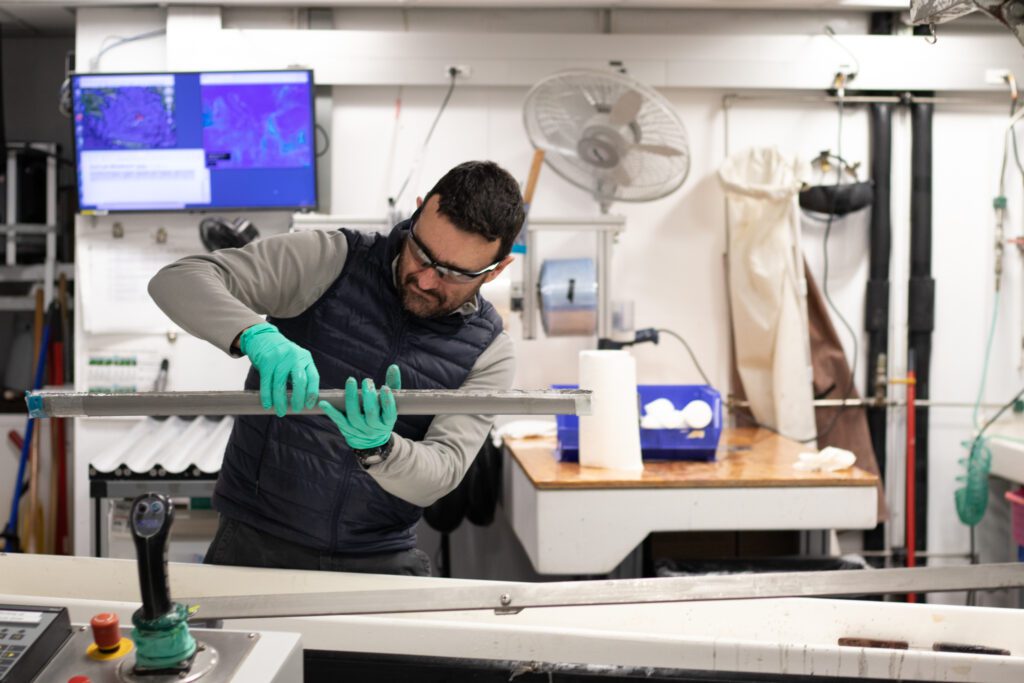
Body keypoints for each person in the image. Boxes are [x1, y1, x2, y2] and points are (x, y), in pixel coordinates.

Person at [148, 160, 524, 576]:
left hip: (378, 556)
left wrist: (381, 449)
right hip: (256, 543)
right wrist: (255, 335)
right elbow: (177, 279)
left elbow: (442, 472)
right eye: (422, 253)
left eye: (454, 273)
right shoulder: (329, 261)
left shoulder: (488, 351)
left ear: (498, 269)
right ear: (417, 213)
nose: (428, 280)